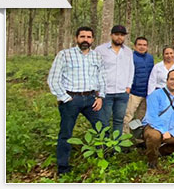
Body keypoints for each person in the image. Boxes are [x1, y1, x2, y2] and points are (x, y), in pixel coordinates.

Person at [48, 26, 106, 175]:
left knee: (102, 129)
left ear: (93, 39)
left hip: (91, 99)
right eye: (82, 37)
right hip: (71, 99)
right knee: (66, 133)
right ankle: (63, 168)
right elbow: (53, 79)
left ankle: (100, 159)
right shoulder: (65, 55)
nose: (85, 40)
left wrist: (100, 97)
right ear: (76, 38)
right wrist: (66, 98)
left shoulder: (97, 57)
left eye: (88, 37)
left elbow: (102, 78)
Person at [94, 25, 134, 137]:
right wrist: (97, 89)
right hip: (105, 92)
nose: (119, 37)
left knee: (119, 120)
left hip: (122, 92)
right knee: (103, 121)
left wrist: (128, 86)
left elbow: (131, 69)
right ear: (111, 35)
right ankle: (103, 146)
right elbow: (95, 70)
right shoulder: (100, 50)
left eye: (122, 35)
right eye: (116, 35)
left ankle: (116, 146)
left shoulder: (128, 51)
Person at [123, 37, 154, 135]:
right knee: (128, 116)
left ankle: (137, 138)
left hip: (146, 93)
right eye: (139, 45)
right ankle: (125, 139)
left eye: (144, 45)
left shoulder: (150, 58)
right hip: (134, 93)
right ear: (135, 46)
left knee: (141, 117)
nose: (142, 47)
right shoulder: (130, 57)